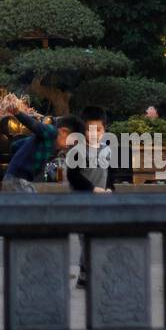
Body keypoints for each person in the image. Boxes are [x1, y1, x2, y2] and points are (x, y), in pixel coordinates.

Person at [70, 106, 114, 288]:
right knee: (86, 239)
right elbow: (73, 177)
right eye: (89, 129)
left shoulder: (107, 150)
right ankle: (86, 275)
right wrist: (91, 189)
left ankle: (91, 274)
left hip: (102, 202)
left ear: (105, 130)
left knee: (99, 238)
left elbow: (110, 174)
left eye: (99, 129)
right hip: (83, 202)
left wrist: (111, 189)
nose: (94, 133)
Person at [2, 111, 86, 191]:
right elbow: (36, 126)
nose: (68, 147)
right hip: (18, 180)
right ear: (64, 132)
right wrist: (18, 113)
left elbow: (15, 145)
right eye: (71, 143)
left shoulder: (42, 141)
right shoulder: (52, 132)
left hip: (13, 178)